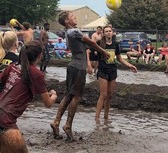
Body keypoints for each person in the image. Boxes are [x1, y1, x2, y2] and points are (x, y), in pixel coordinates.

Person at [50, 11, 109, 142]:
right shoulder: (74, 31)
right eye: (72, 17)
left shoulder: (69, 33)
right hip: (78, 68)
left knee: (68, 95)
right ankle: (68, 125)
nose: (75, 18)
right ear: (66, 21)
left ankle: (56, 122)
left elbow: (89, 44)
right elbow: (92, 43)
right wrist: (104, 52)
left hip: (73, 66)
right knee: (76, 97)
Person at [0, 40, 57, 153]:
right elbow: (48, 103)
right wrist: (54, 95)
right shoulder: (37, 74)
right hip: (7, 121)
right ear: (40, 56)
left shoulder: (13, 67)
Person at [87, 25, 137, 121]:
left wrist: (130, 65)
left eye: (110, 31)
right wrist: (89, 65)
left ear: (112, 33)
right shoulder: (98, 43)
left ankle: (106, 117)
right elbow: (88, 51)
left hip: (113, 71)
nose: (109, 32)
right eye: (106, 31)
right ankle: (97, 118)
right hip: (103, 70)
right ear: (103, 33)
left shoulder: (115, 44)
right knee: (103, 95)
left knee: (109, 96)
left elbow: (119, 58)